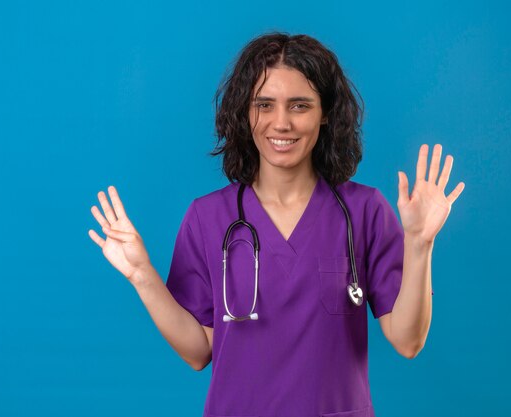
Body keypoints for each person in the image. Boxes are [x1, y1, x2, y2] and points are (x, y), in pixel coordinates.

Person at [88, 32, 465, 417]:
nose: (280, 123)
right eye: (264, 105)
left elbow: (408, 342)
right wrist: (141, 275)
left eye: (299, 105)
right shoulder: (208, 217)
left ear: (326, 113)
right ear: (244, 113)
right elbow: (199, 350)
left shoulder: (363, 211)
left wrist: (419, 243)